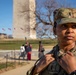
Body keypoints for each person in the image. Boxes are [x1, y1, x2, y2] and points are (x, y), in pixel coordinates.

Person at [27, 8, 76, 75]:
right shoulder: (47, 58)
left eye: (74, 26)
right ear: (54, 30)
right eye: (64, 26)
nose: (70, 31)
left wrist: (73, 71)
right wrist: (35, 71)